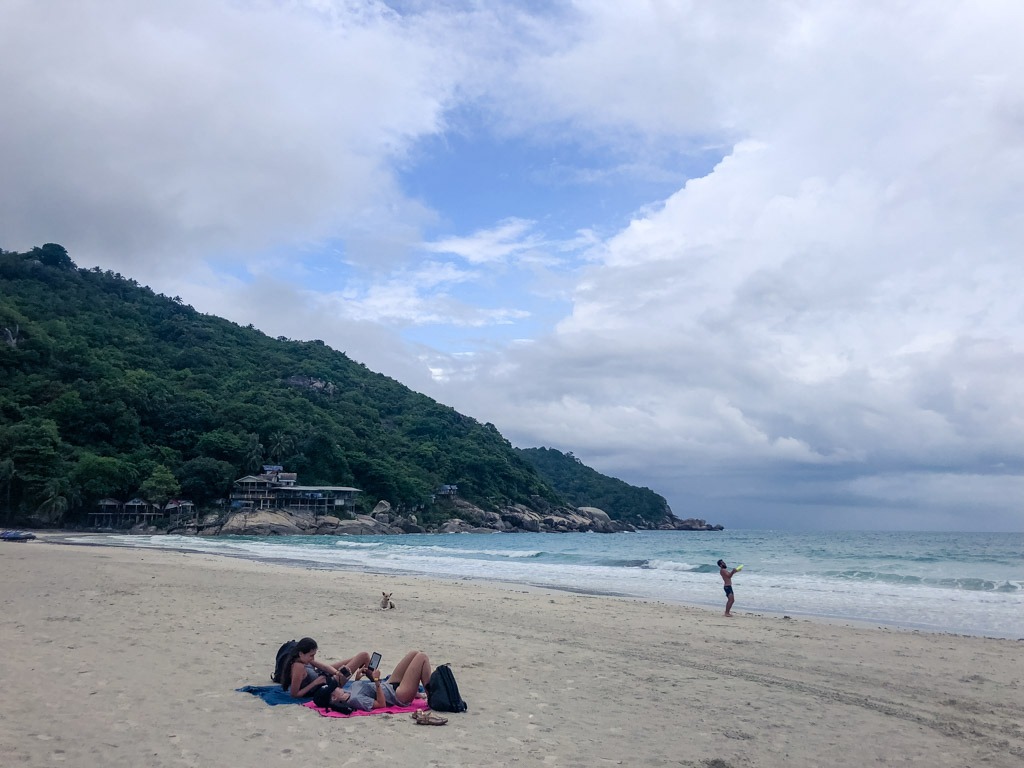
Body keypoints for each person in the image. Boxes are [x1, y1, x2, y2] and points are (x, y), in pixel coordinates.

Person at [314, 650, 432, 711]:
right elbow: (381, 704)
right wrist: (376, 680)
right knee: (422, 657)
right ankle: (431, 698)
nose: (337, 686)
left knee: (414, 653)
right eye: (334, 689)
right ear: (334, 698)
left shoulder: (348, 693)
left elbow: (363, 690)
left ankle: (423, 693)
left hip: (389, 685)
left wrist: (358, 679)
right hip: (398, 696)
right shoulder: (355, 700)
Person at [281, 637, 370, 699]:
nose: (313, 658)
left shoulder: (303, 659)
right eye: (311, 655)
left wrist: (337, 673)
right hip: (326, 687)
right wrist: (315, 683)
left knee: (355, 658)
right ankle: (376, 682)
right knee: (363, 656)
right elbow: (294, 694)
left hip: (323, 676)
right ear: (301, 653)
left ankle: (375, 681)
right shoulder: (298, 666)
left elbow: (324, 666)